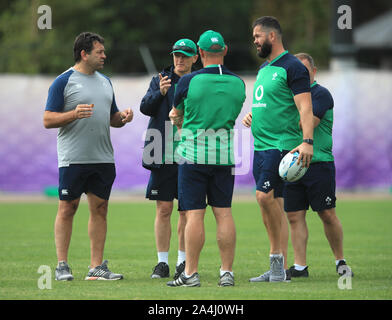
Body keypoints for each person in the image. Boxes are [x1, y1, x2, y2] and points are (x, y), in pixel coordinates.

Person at [43, 32, 133, 281]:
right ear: (84, 54)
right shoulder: (63, 81)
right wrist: (73, 114)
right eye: (99, 52)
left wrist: (123, 118)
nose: (104, 55)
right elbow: (48, 119)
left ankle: (96, 268)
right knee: (67, 208)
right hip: (73, 159)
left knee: (100, 210)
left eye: (104, 51)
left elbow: (113, 119)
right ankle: (62, 265)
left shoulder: (106, 81)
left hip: (103, 159)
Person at [166, 30, 246, 287]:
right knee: (224, 214)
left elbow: (176, 114)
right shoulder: (239, 83)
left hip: (193, 156)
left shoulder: (188, 81)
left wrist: (179, 122)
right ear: (225, 50)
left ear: (199, 54)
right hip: (224, 157)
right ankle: (227, 273)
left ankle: (190, 273)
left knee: (194, 215)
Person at [244, 16, 314, 283]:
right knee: (269, 204)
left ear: (272, 36)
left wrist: (307, 142)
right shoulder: (264, 68)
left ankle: (277, 265)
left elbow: (305, 107)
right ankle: (278, 268)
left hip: (281, 145)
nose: (255, 41)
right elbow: (268, 102)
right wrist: (253, 115)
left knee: (264, 197)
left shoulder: (293, 66)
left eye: (258, 36)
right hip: (260, 146)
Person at [284, 53, 353, 278]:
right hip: (293, 166)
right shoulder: (288, 96)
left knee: (326, 213)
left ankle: (340, 260)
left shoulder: (321, 94)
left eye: (304, 71)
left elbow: (307, 122)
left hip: (318, 163)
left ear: (313, 72)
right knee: (294, 216)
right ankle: (300, 267)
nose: (300, 76)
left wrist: (279, 115)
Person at [140, 39, 198, 280]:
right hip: (162, 152)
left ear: (196, 57)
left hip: (190, 153)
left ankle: (182, 262)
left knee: (186, 211)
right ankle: (162, 263)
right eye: (176, 55)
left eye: (185, 55)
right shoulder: (160, 79)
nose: (179, 59)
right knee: (164, 208)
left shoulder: (199, 81)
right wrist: (160, 93)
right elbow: (145, 107)